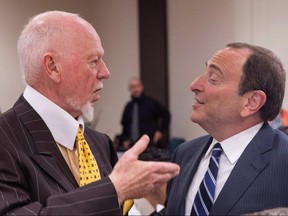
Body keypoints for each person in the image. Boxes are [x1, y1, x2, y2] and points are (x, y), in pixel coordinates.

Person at [0, 11, 180, 215]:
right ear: (52, 67)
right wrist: (115, 189)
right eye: (94, 60)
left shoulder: (99, 142)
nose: (105, 72)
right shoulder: (5, 139)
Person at [165, 42, 288, 215]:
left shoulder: (283, 161)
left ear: (251, 102)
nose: (194, 85)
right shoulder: (184, 154)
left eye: (213, 78)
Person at [120, 78, 170, 150]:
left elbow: (166, 115)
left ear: (142, 87)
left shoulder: (151, 103)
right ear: (129, 89)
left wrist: (160, 131)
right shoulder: (128, 106)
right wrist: (124, 140)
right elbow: (124, 125)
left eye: (138, 86)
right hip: (132, 146)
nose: (136, 89)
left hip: (150, 145)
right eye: (133, 87)